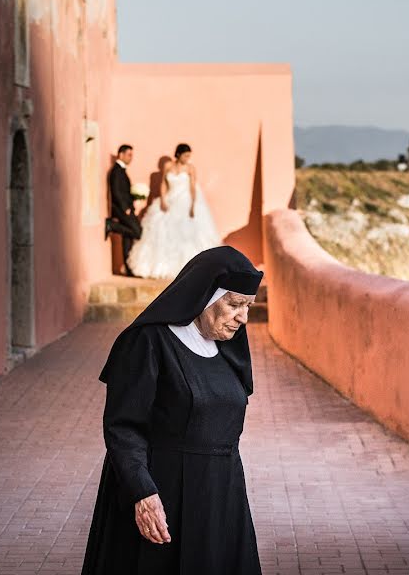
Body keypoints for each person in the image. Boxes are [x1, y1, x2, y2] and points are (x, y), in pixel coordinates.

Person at [82, 246, 263, 574]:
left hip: (221, 494)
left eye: (248, 306)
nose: (243, 317)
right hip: (164, 492)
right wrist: (142, 492)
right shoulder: (150, 342)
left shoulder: (227, 348)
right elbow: (123, 426)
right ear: (205, 296)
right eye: (235, 304)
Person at [126, 143, 220, 279]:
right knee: (161, 230)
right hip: (169, 200)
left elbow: (193, 187)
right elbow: (163, 183)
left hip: (185, 202)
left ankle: (188, 268)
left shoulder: (190, 168)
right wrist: (163, 200)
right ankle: (161, 266)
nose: (187, 158)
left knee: (185, 234)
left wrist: (193, 205)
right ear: (179, 154)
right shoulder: (168, 166)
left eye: (189, 156)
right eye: (186, 155)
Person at [105, 144, 142, 276]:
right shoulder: (116, 170)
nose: (131, 158)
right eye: (129, 154)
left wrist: (137, 196)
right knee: (137, 232)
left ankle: (128, 268)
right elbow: (116, 191)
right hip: (122, 210)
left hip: (126, 208)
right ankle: (112, 225)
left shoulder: (122, 170)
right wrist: (125, 208)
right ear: (121, 154)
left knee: (128, 237)